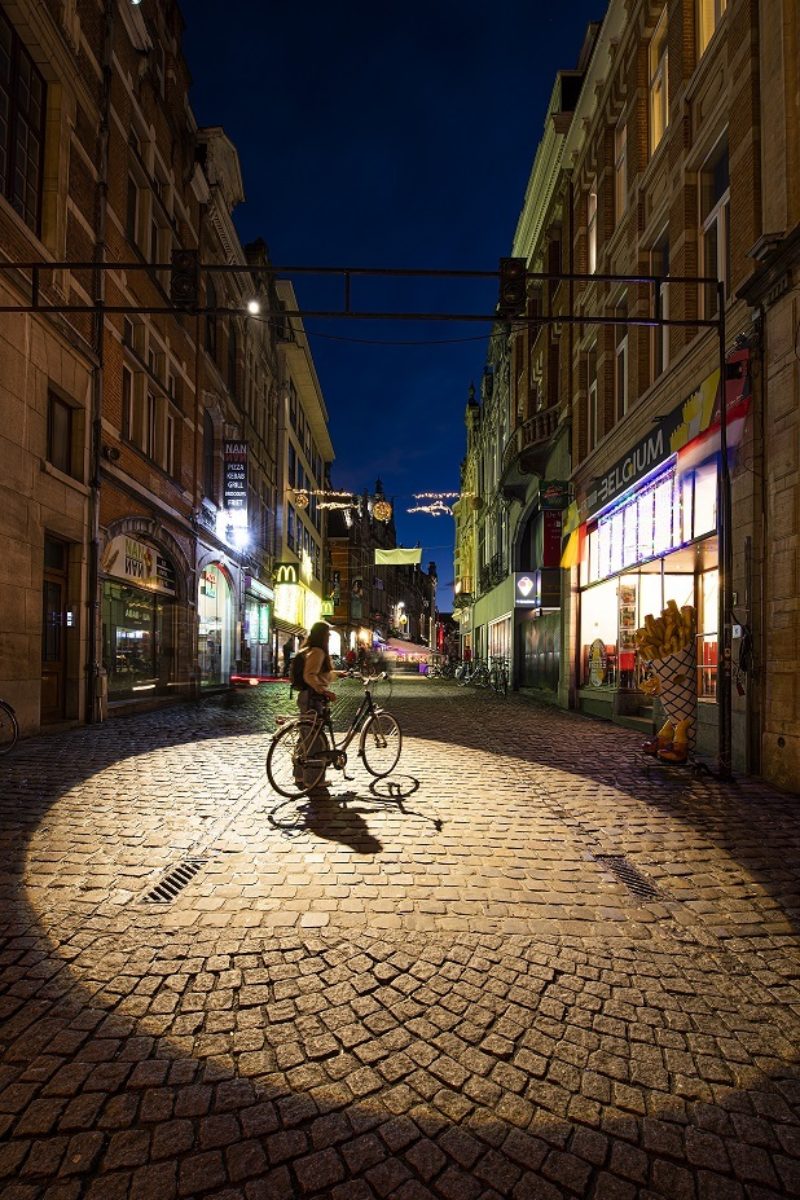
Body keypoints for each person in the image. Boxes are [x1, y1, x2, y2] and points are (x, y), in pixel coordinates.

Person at [295, 622, 340, 793]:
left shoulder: (310, 650)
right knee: (316, 742)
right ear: (322, 635)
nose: (329, 637)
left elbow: (316, 673)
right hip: (312, 698)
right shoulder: (318, 652)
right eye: (327, 634)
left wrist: (338, 674)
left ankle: (300, 775)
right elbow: (309, 675)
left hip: (306, 697)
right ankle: (313, 780)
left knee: (306, 739)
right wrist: (323, 691)